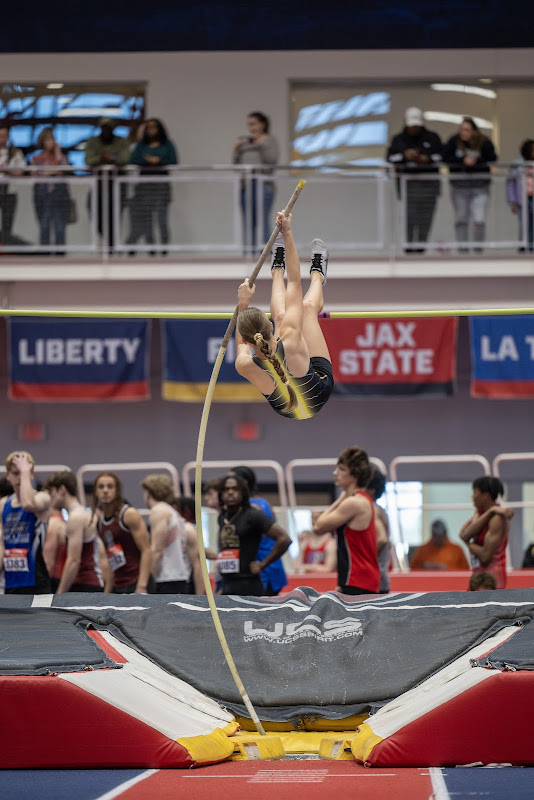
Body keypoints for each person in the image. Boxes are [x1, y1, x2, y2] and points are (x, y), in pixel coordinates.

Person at [235, 210, 334, 421]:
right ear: (268, 327)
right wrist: (287, 233)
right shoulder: (289, 336)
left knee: (281, 314)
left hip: (289, 409)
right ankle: (318, 275)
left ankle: (276, 269)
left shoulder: (243, 364)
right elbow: (295, 283)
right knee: (306, 308)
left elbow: (241, 345)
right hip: (317, 393)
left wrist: (242, 304)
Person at [313, 447, 384, 595]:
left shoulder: (353, 503)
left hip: (358, 581)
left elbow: (318, 526)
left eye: (341, 469)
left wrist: (340, 499)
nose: (335, 473)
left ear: (355, 475)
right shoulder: (363, 500)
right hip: (359, 580)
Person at [216, 473, 290, 596]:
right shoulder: (222, 517)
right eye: (226, 489)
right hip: (228, 583)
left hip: (249, 584)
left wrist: (262, 565)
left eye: (235, 489)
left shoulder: (253, 515)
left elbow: (284, 539)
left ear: (243, 492)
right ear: (220, 494)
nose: (230, 492)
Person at [386, 107, 443, 253]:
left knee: (425, 221)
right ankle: (409, 250)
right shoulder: (398, 140)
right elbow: (390, 159)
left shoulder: (432, 137)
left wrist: (426, 159)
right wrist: (405, 156)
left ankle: (421, 250)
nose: (414, 128)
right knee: (409, 220)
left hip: (429, 188)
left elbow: (441, 157)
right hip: (408, 188)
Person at [46, 471, 111, 593]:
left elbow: (73, 561)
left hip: (85, 585)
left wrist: (59, 594)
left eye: (52, 493)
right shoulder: (81, 514)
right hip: (87, 584)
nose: (50, 498)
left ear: (62, 489)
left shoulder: (76, 517)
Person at [442, 117, 497, 252]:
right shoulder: (454, 141)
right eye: (462, 129)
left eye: (467, 130)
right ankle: (462, 250)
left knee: (479, 219)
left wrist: (477, 160)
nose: (463, 132)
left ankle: (478, 250)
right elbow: (445, 157)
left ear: (474, 131)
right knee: (461, 218)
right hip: (459, 187)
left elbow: (493, 158)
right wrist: (462, 160)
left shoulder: (484, 142)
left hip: (480, 187)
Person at [141, 474, 203, 594]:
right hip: (179, 578)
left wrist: (146, 584)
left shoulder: (159, 510)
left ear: (148, 493)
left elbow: (157, 550)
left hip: (165, 579)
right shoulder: (174, 514)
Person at [0, 451, 51, 594]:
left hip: (36, 581)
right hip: (11, 581)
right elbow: (2, 543)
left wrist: (25, 472)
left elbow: (27, 504)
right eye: (16, 473)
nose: (20, 477)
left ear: (31, 474)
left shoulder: (42, 498)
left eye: (24, 473)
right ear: (8, 476)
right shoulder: (4, 504)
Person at [92, 471, 151, 593]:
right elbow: (109, 559)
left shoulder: (129, 514)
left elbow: (146, 550)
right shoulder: (100, 522)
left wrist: (142, 586)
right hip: (118, 585)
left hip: (136, 582)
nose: (105, 490)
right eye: (101, 487)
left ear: (117, 490)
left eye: (110, 486)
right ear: (96, 492)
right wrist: (107, 592)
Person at [127, 118, 178, 254]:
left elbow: (173, 160)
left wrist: (158, 161)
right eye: (148, 128)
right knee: (148, 221)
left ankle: (164, 250)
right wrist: (146, 160)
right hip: (145, 188)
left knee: (162, 220)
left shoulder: (167, 144)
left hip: (161, 187)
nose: (151, 130)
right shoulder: (141, 145)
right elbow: (133, 159)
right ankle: (152, 249)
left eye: (154, 127)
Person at [233, 111, 278, 254]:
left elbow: (272, 160)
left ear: (263, 124)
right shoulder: (245, 142)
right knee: (248, 221)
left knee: (262, 221)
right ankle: (248, 254)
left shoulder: (269, 140)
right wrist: (236, 149)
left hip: (263, 185)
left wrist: (261, 145)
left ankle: (264, 254)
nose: (251, 128)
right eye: (249, 125)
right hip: (246, 186)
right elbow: (236, 164)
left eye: (254, 124)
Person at [459, 476, 513, 590]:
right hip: (478, 578)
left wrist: (468, 544)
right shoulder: (480, 514)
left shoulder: (497, 519)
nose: (472, 496)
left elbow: (484, 556)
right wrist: (490, 511)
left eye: (475, 492)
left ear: (486, 495)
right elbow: (463, 534)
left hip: (491, 581)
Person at [84, 117, 130, 248]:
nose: (106, 130)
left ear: (113, 128)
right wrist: (101, 158)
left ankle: (112, 247)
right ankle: (108, 241)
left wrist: (110, 157)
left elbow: (124, 159)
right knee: (95, 214)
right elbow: (89, 160)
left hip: (116, 185)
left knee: (115, 216)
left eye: (108, 127)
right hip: (98, 184)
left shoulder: (121, 141)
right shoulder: (93, 141)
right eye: (104, 127)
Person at [31, 127, 70, 254]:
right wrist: (51, 172)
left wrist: (58, 155)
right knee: (44, 226)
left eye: (52, 139)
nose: (51, 142)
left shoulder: (60, 157)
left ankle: (60, 255)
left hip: (59, 196)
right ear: (42, 141)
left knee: (60, 227)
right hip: (43, 196)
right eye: (48, 139)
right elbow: (35, 174)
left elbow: (65, 170)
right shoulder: (37, 159)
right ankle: (44, 255)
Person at [365, 466, 391, 593]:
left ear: (371, 490)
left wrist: (363, 558)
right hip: (379, 577)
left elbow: (383, 539)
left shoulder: (373, 510)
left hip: (375, 580)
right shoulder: (380, 510)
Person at [506, 138, 534, 252]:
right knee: (524, 225)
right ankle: (523, 247)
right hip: (522, 198)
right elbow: (510, 184)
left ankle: (532, 248)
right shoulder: (517, 164)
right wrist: (512, 201)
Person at [0, 123, 25, 245]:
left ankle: (5, 248)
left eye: (4, 136)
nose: (2, 139)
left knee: (7, 222)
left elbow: (21, 172)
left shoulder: (15, 152)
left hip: (9, 191)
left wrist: (8, 172)